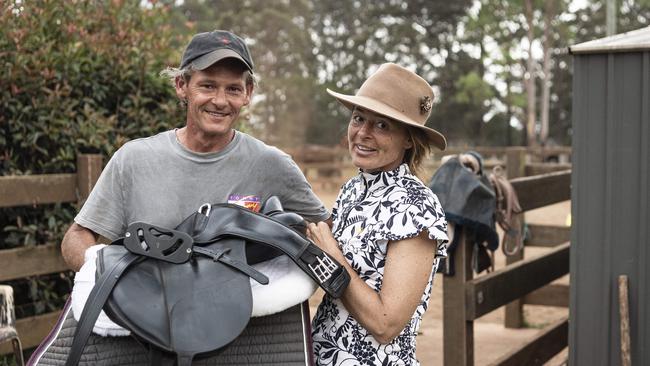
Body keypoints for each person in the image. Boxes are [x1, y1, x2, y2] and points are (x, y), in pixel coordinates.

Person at [61, 30, 328, 272]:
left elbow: (326, 228)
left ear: (248, 93)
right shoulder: (133, 159)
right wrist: (107, 272)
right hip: (147, 310)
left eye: (233, 89)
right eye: (208, 85)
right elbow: (77, 237)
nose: (220, 101)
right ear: (181, 85)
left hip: (241, 316)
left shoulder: (271, 164)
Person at [308, 63, 449, 365]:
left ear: (409, 139)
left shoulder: (416, 207)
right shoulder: (351, 190)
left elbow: (386, 325)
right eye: (359, 118)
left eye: (382, 125)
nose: (363, 133)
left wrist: (331, 254)